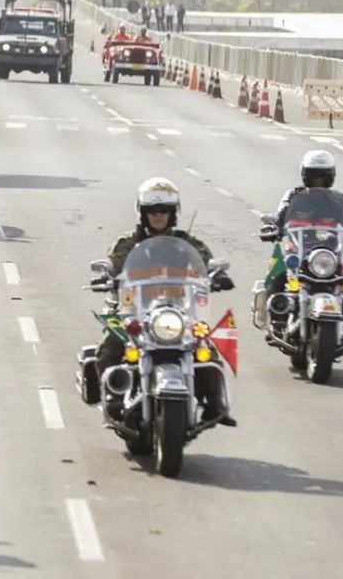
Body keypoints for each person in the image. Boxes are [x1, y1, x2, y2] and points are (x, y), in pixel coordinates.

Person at [87, 178, 236, 426]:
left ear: (172, 213)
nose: (158, 215)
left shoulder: (186, 243)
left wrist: (216, 275)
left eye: (164, 210)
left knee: (204, 347)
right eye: (152, 210)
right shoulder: (128, 243)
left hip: (178, 309)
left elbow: (204, 262)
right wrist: (107, 273)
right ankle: (113, 396)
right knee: (111, 344)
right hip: (133, 308)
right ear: (143, 213)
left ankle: (214, 402)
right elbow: (114, 262)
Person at [260, 150, 343, 340]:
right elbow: (281, 216)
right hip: (298, 250)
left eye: (323, 174)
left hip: (330, 252)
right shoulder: (294, 196)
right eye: (314, 174)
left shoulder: (338, 199)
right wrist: (273, 228)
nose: (318, 179)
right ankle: (277, 321)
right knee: (279, 270)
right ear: (305, 174)